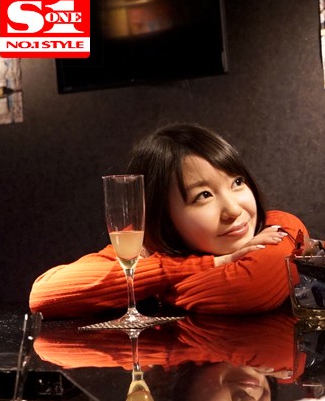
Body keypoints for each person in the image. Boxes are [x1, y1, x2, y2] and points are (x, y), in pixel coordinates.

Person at [29, 123, 309, 317]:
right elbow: (46, 293)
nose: (234, 210)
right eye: (204, 195)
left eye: (237, 182)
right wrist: (206, 265)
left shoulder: (281, 227)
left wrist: (162, 291)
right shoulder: (145, 245)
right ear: (161, 215)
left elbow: (250, 288)